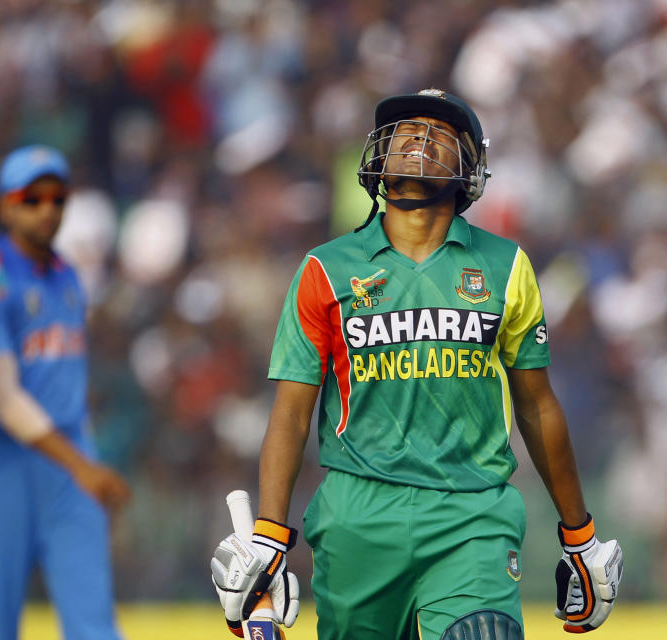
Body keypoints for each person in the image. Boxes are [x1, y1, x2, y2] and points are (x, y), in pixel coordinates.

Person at [210, 89, 624, 640]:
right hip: (356, 515)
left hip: (472, 514)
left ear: (470, 167)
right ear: (378, 157)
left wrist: (581, 536)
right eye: (404, 129)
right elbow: (290, 413)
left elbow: (538, 406)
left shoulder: (506, 266)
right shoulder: (324, 269)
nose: (417, 138)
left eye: (439, 131)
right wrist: (269, 535)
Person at [0, 144, 131, 640]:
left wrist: (85, 457)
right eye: (32, 198)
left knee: (93, 619)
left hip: (72, 459)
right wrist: (83, 467)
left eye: (57, 197)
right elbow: (4, 398)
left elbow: (69, 379)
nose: (48, 209)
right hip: (5, 462)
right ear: (5, 206)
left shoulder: (68, 276)